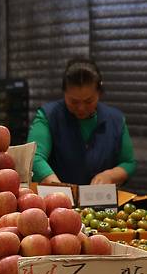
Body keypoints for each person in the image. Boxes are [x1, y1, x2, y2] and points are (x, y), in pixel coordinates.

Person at [27, 57, 136, 185]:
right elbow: (34, 157)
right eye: (74, 101)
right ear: (64, 93)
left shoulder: (115, 120)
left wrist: (110, 175)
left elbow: (129, 163)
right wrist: (59, 189)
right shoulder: (49, 116)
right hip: (57, 200)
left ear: (99, 93)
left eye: (88, 101)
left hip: (101, 201)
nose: (81, 108)